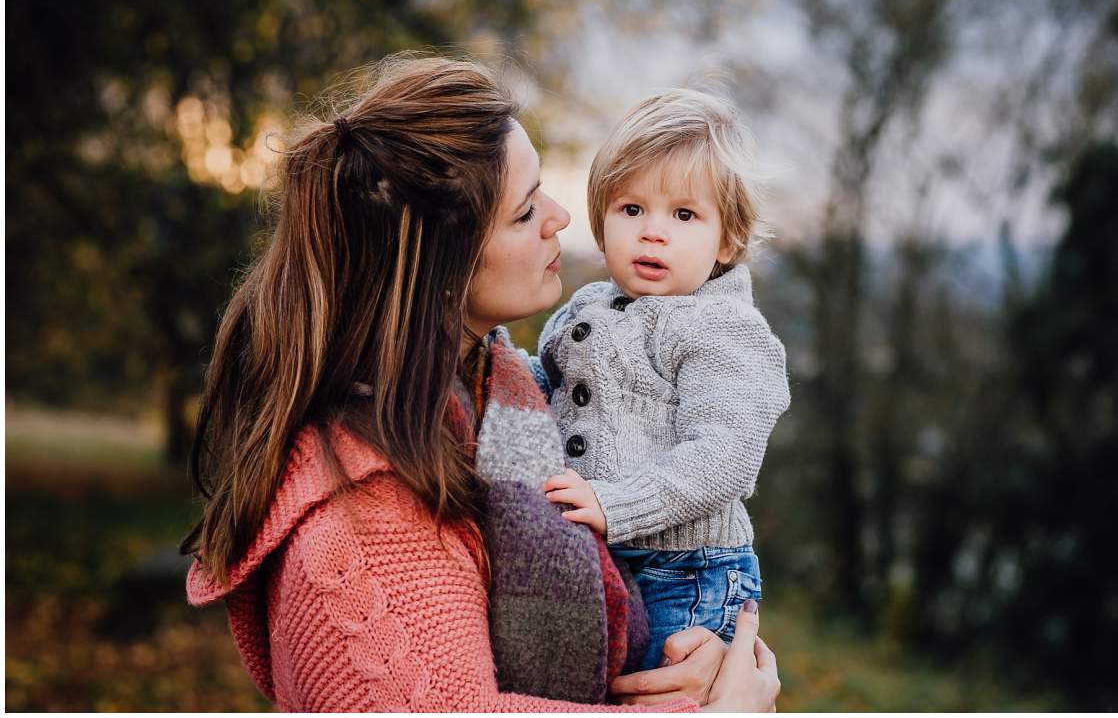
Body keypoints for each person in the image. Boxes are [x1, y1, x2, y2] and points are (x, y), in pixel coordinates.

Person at [181, 55, 780, 711]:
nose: (560, 216)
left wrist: (712, 658)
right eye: (525, 212)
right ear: (447, 262)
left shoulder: (498, 394)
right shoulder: (366, 514)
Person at [536, 88, 791, 673]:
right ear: (602, 221)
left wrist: (613, 502)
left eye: (683, 215)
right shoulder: (587, 305)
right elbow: (542, 386)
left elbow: (724, 456)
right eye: (631, 210)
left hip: (688, 572)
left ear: (727, 239)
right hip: (603, 556)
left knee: (665, 691)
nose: (653, 232)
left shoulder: (723, 327)